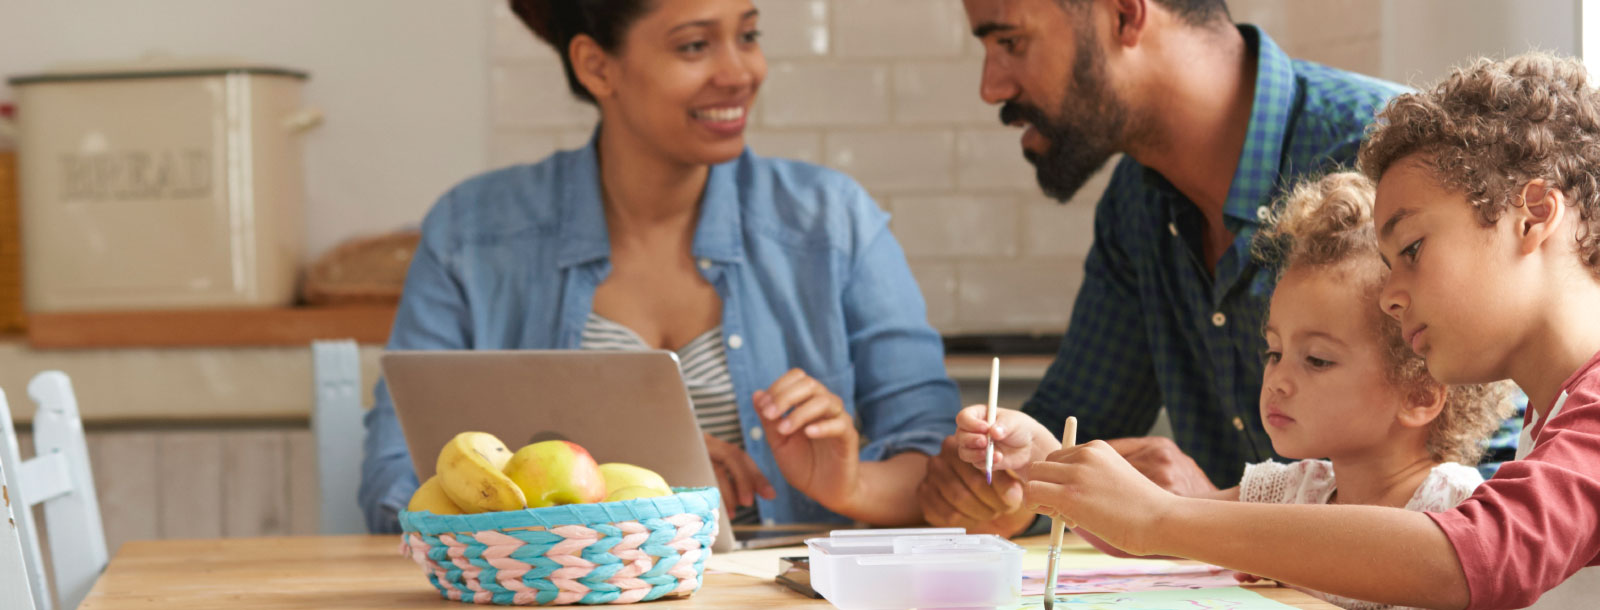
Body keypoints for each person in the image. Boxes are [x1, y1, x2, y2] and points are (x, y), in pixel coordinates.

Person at [358, 0, 961, 533]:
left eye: (747, 36)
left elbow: (945, 471)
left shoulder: (831, 221)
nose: (740, 73)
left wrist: (848, 484)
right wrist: (626, 487)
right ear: (598, 66)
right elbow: (393, 482)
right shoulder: (473, 231)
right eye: (695, 46)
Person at [1024, 53, 1600, 609]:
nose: (1393, 296)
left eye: (1413, 248)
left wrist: (1160, 518)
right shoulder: (1555, 413)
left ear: (1534, 214)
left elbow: (1477, 556)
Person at [918, 0, 1475, 537]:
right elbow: (1074, 434)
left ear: (1123, 14)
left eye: (1010, 41)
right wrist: (1013, 485)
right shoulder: (1136, 203)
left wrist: (1190, 517)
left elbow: (1507, 506)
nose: (992, 87)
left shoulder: (1399, 158)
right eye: (1272, 352)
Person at [957, 172, 1512, 609]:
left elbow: (1161, 519)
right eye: (1273, 351)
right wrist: (1040, 460)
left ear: (1420, 394)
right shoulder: (1294, 491)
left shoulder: (1454, 507)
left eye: (1316, 359)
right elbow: (1147, 525)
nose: (1278, 378)